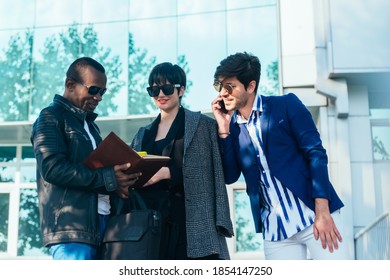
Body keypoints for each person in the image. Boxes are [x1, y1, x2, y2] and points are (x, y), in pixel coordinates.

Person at [211, 52, 348, 260]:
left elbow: (316, 154)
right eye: (219, 86)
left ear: (250, 86)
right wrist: (223, 130)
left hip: (314, 215)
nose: (223, 93)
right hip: (276, 230)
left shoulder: (285, 105)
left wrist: (322, 211)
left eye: (229, 86)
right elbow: (230, 175)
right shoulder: (232, 129)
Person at [31, 57, 140, 260]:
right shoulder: (51, 117)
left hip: (106, 224)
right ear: (70, 85)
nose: (98, 97)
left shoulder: (91, 127)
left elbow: (97, 172)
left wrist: (120, 180)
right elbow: (53, 169)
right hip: (73, 230)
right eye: (93, 90)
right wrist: (108, 177)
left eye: (102, 92)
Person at [129, 62, 233, 259]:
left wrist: (168, 173)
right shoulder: (142, 134)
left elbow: (214, 174)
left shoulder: (203, 126)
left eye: (167, 88)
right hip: (152, 226)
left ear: (181, 89)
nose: (161, 94)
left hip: (195, 224)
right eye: (154, 89)